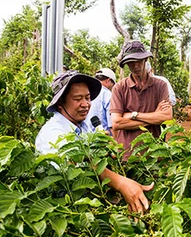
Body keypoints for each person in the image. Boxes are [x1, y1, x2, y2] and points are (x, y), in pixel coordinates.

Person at [35, 70, 153, 213]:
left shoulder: (84, 126)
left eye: (88, 98)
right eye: (78, 99)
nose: (85, 104)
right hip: (65, 209)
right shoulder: (53, 133)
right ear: (60, 103)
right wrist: (121, 183)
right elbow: (76, 163)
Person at [110, 41, 173, 161]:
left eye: (138, 60)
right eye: (130, 62)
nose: (135, 65)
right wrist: (154, 117)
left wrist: (133, 115)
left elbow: (167, 117)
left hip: (154, 154)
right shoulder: (119, 88)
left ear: (145, 60)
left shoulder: (160, 85)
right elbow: (117, 123)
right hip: (127, 155)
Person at [85, 68, 116, 136]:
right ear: (108, 81)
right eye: (113, 84)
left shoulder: (88, 93)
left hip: (88, 138)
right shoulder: (107, 95)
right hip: (104, 140)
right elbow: (112, 124)